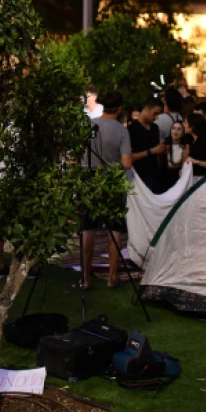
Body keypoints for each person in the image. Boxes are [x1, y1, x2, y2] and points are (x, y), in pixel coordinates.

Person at [81, 91, 133, 289]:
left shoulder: (90, 126)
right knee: (115, 229)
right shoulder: (121, 130)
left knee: (89, 228)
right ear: (119, 109)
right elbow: (127, 164)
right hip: (112, 181)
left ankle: (85, 278)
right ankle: (112, 277)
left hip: (90, 179)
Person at [128, 97, 166, 192]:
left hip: (156, 175)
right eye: (155, 113)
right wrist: (151, 151)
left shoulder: (155, 128)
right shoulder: (131, 129)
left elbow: (157, 150)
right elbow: (129, 157)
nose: (156, 117)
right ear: (147, 109)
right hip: (138, 177)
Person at [163, 120, 189, 187]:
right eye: (173, 128)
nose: (175, 131)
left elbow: (184, 166)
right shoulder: (164, 144)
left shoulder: (185, 147)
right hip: (163, 177)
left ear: (183, 133)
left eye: (179, 129)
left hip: (177, 178)